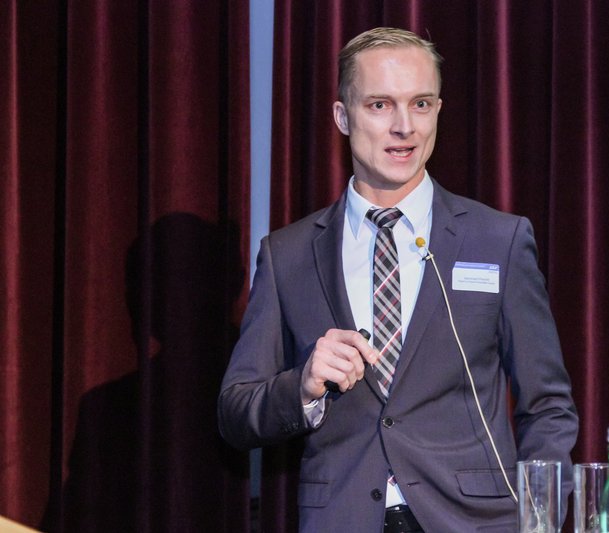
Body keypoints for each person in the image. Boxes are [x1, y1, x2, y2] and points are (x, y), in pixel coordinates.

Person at [218, 27, 578, 532]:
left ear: (438, 111)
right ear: (343, 116)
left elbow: (548, 406)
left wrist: (538, 520)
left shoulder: (498, 240)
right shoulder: (289, 255)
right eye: (380, 105)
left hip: (473, 522)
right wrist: (303, 386)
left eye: (421, 104)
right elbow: (236, 412)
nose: (404, 126)